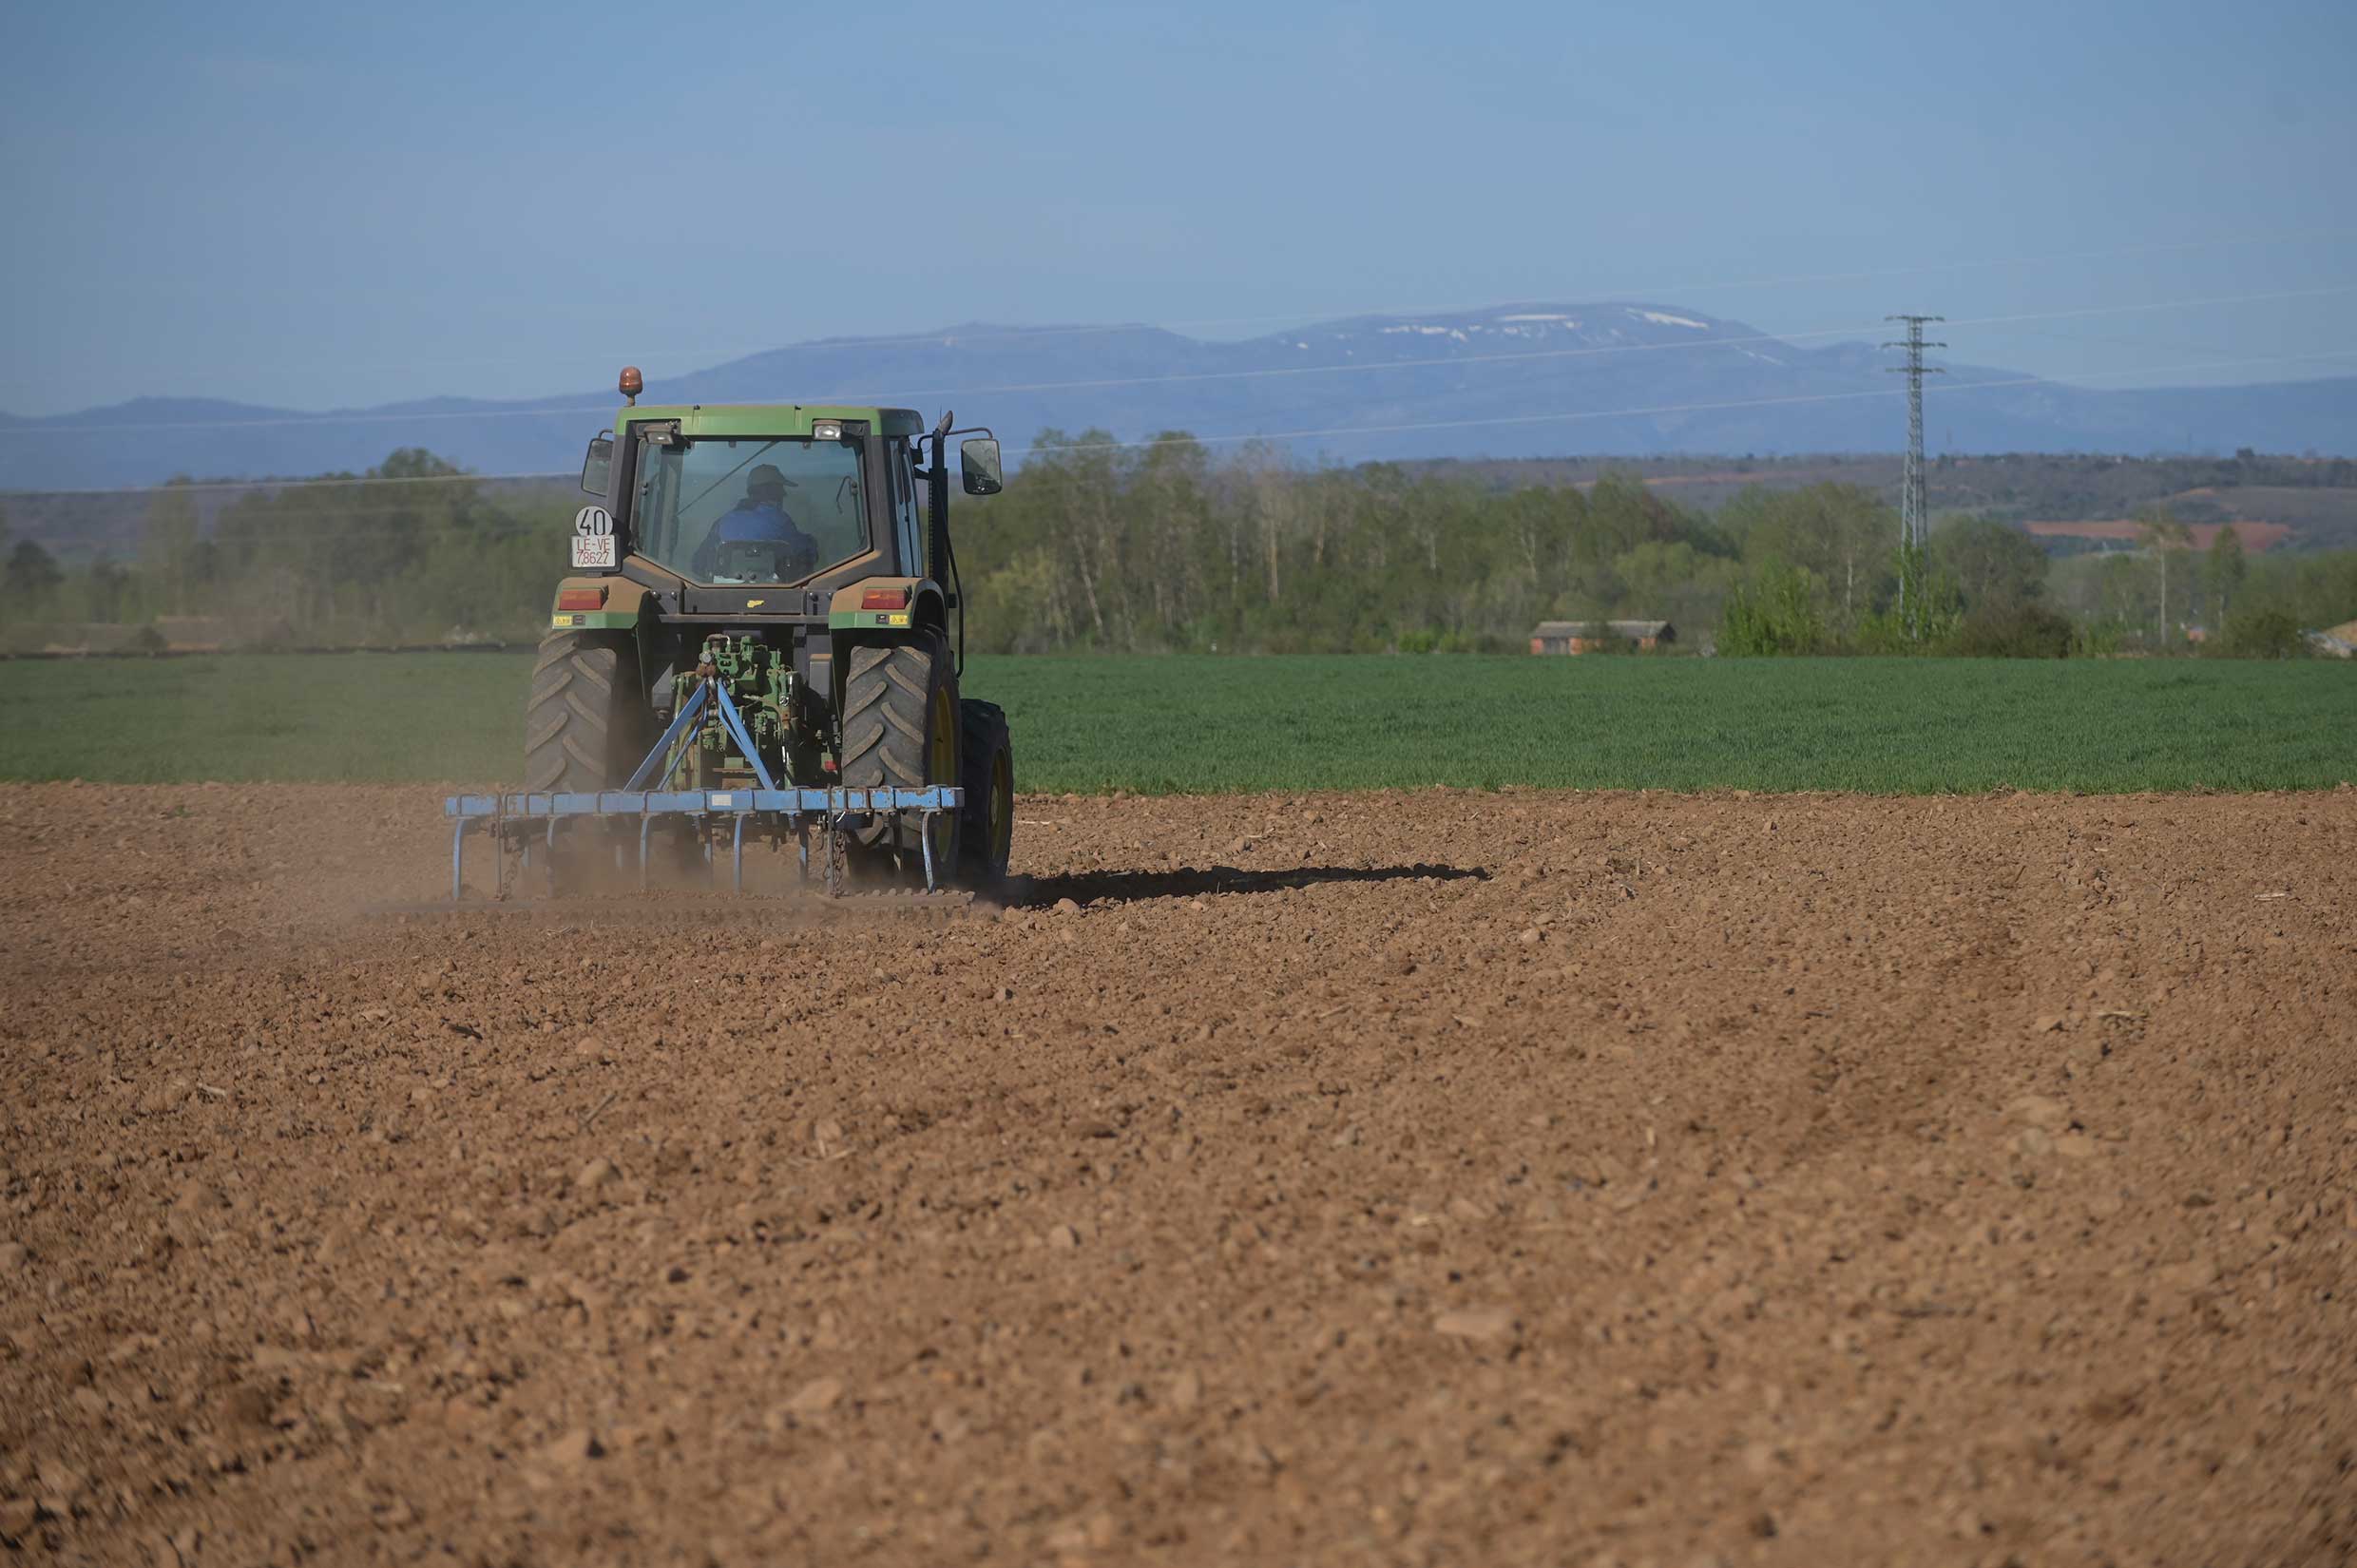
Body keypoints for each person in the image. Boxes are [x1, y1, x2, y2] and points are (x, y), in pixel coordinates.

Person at [692, 464, 819, 580]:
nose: (784, 494)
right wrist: (813, 541)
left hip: (725, 596)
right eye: (780, 489)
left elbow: (698, 564)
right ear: (770, 490)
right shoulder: (781, 521)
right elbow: (808, 554)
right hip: (775, 596)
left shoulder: (721, 523)